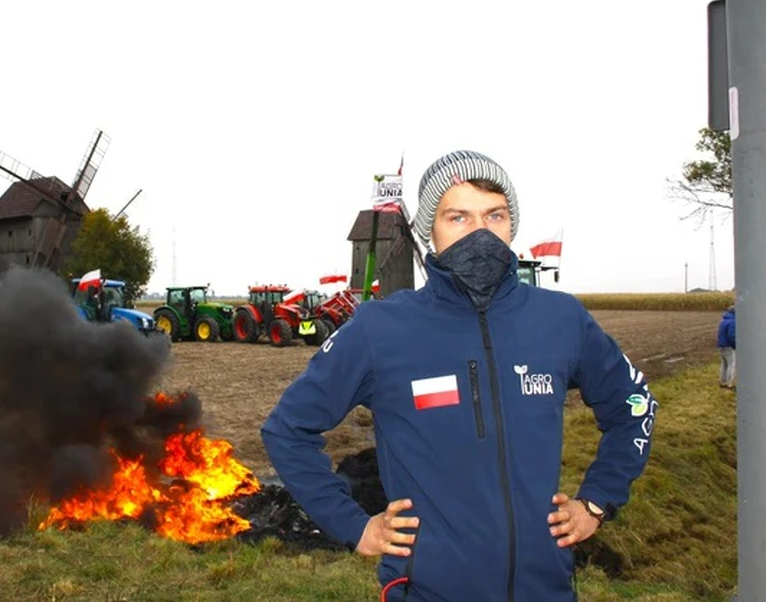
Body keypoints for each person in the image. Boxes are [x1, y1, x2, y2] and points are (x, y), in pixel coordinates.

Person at [260, 150, 659, 602]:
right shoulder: (380, 329)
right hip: (427, 590)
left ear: (513, 224)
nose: (481, 235)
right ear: (429, 229)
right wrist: (353, 525)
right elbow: (287, 429)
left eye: (495, 215)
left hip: (545, 589)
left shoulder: (561, 319)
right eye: (458, 218)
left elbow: (635, 405)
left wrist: (595, 502)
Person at [717, 304, 737, 388]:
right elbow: (732, 336)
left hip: (721, 345)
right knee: (731, 364)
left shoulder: (723, 321)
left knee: (724, 364)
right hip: (729, 346)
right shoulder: (733, 321)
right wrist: (735, 345)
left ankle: (722, 381)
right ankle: (729, 383)